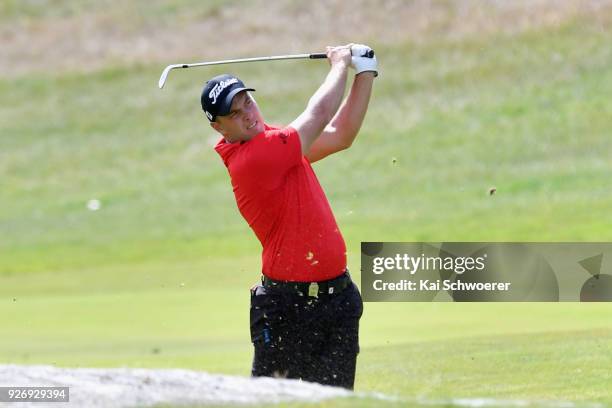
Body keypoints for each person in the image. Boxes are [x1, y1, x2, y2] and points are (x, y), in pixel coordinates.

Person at [201, 44, 377, 389]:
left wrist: (367, 72)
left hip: (336, 302)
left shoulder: (277, 142)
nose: (248, 114)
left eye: (247, 102)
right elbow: (319, 114)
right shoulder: (253, 158)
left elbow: (341, 135)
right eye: (234, 114)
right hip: (287, 310)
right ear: (220, 128)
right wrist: (340, 64)